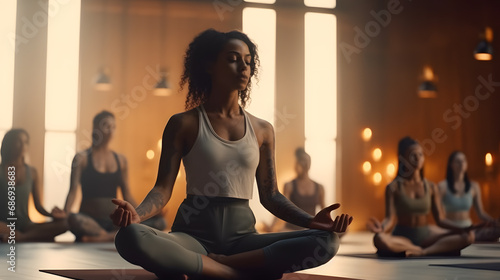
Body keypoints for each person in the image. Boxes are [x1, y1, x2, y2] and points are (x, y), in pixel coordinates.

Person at [110, 29, 353, 280]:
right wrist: (137, 214)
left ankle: (212, 266)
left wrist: (312, 221)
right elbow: (162, 189)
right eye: (233, 59)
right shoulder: (184, 123)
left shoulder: (262, 130)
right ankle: (236, 272)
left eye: (248, 61)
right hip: (192, 237)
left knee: (327, 241)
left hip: (243, 240)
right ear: (209, 65)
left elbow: (271, 196)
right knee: (130, 236)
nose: (244, 67)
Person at [64, 111, 166, 242]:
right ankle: (114, 236)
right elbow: (72, 191)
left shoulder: (121, 160)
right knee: (73, 219)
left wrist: (146, 213)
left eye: (113, 126)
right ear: (96, 127)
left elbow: (127, 194)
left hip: (114, 222)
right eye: (106, 125)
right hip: (89, 221)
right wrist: (65, 214)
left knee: (160, 223)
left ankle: (102, 237)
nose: (110, 130)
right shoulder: (82, 158)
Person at [368, 136, 474, 257]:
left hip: (426, 236)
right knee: (379, 239)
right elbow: (390, 218)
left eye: (421, 154)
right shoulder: (393, 187)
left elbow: (441, 220)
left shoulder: (431, 187)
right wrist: (381, 228)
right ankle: (419, 249)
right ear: (403, 158)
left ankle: (424, 252)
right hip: (403, 237)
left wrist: (462, 228)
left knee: (468, 236)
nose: (418, 158)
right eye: (413, 155)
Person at [0, 129, 68, 242]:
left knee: (64, 224)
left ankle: (20, 237)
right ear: (9, 144)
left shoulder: (32, 172)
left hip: (26, 226)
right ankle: (16, 235)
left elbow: (38, 207)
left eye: (25, 142)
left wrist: (53, 215)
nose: (22, 145)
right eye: (18, 142)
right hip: (3, 224)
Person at [438, 151, 500, 242]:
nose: (461, 164)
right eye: (458, 161)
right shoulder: (442, 186)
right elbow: (439, 216)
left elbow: (481, 213)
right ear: (451, 164)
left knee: (496, 232)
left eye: (463, 161)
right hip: (450, 230)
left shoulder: (474, 186)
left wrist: (494, 222)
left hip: (469, 229)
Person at [265, 147, 325, 232]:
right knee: (282, 232)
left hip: (311, 228)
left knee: (342, 231)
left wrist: (331, 226)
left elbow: (324, 210)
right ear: (296, 163)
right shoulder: (289, 185)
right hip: (292, 229)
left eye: (306, 161)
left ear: (310, 163)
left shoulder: (319, 187)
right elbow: (282, 207)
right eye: (301, 161)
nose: (304, 164)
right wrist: (271, 227)